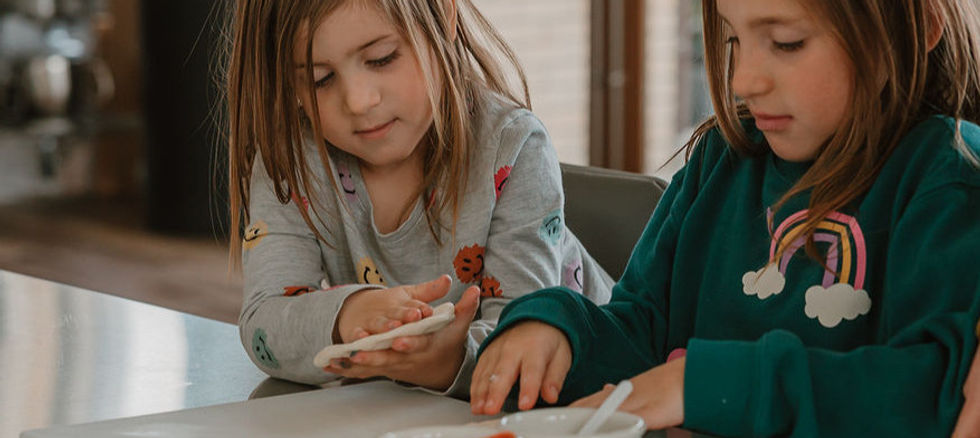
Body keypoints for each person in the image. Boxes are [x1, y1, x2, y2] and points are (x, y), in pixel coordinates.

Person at [470, 0, 980, 435]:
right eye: (733, 39)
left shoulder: (948, 176)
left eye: (787, 43)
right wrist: (559, 330)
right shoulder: (721, 159)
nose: (743, 80)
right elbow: (638, 331)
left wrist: (700, 384)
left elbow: (929, 392)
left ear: (917, 27)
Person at [224, 0, 613, 399]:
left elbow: (521, 343)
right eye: (319, 79)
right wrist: (348, 315)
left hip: (599, 395)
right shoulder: (292, 161)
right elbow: (264, 325)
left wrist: (446, 363)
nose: (358, 101)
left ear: (443, 16)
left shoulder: (514, 147)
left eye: (381, 58)